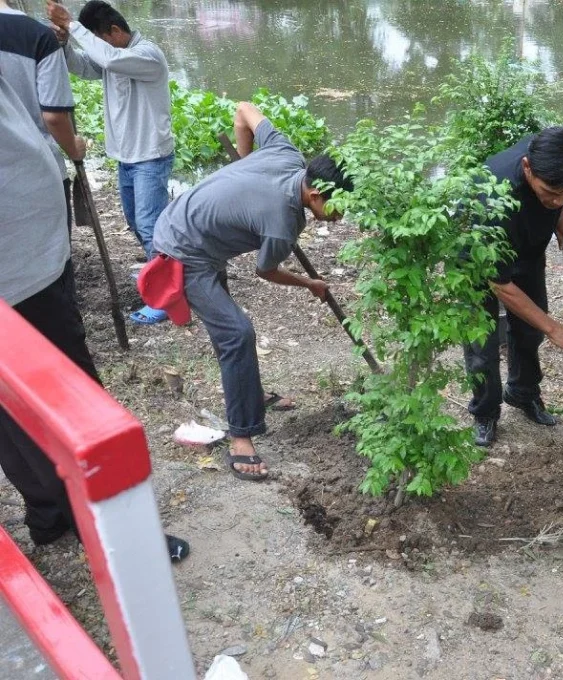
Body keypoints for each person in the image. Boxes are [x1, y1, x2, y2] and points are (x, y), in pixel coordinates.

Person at [0, 72, 188, 563]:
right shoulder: (26, 37)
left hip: (24, 260)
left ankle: (49, 514)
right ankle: (114, 535)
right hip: (22, 269)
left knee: (9, 410)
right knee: (74, 404)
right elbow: (54, 115)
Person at [147, 102, 348, 481]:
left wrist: (244, 162)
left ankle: (250, 395)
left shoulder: (287, 153)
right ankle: (241, 436)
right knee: (237, 335)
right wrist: (310, 283)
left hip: (196, 225)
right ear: (316, 193)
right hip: (183, 250)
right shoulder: (282, 222)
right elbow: (265, 270)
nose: (341, 217)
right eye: (339, 208)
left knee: (231, 335)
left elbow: (244, 111)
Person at [47, 0, 175, 325]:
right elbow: (81, 66)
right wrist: (64, 44)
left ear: (115, 31)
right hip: (126, 157)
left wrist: (72, 25)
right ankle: (157, 270)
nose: (98, 46)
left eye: (98, 38)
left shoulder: (147, 55)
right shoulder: (112, 56)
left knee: (151, 226)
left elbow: (108, 58)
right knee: (135, 221)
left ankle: (167, 296)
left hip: (150, 156)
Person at [463, 127, 563, 447]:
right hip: (479, 258)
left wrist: (559, 215)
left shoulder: (556, 152)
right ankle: (485, 411)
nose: (558, 200)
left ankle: (522, 392)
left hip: (526, 245)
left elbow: (561, 190)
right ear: (527, 168)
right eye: (551, 192)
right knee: (482, 343)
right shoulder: (492, 199)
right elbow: (500, 285)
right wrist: (555, 329)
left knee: (530, 328)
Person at [0, 0, 86, 237]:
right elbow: (54, 117)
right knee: (47, 252)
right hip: (36, 173)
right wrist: (74, 149)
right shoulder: (38, 36)